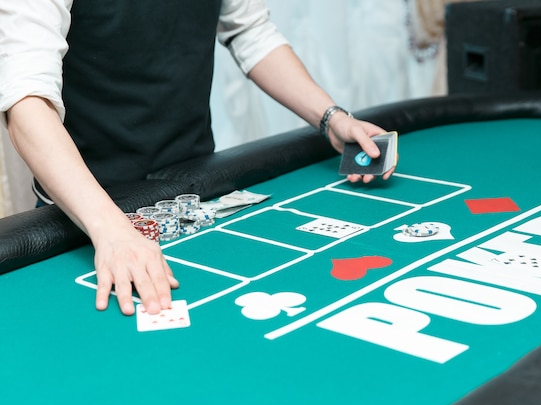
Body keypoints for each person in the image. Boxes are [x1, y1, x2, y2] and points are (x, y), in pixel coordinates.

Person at [0, 0, 395, 316]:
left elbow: (251, 31)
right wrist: (113, 230)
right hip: (89, 216)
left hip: (194, 194)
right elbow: (25, 100)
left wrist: (331, 118)